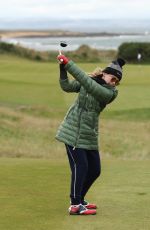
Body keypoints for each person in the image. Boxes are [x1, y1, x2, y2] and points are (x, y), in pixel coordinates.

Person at [56, 54, 125, 215]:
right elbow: (66, 86)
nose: (113, 82)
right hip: (72, 131)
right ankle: (75, 204)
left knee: (95, 170)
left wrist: (68, 63)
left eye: (116, 81)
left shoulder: (110, 93)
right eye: (112, 78)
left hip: (89, 134)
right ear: (104, 73)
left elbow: (87, 83)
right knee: (81, 167)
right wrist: (62, 69)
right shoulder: (91, 82)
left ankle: (79, 199)